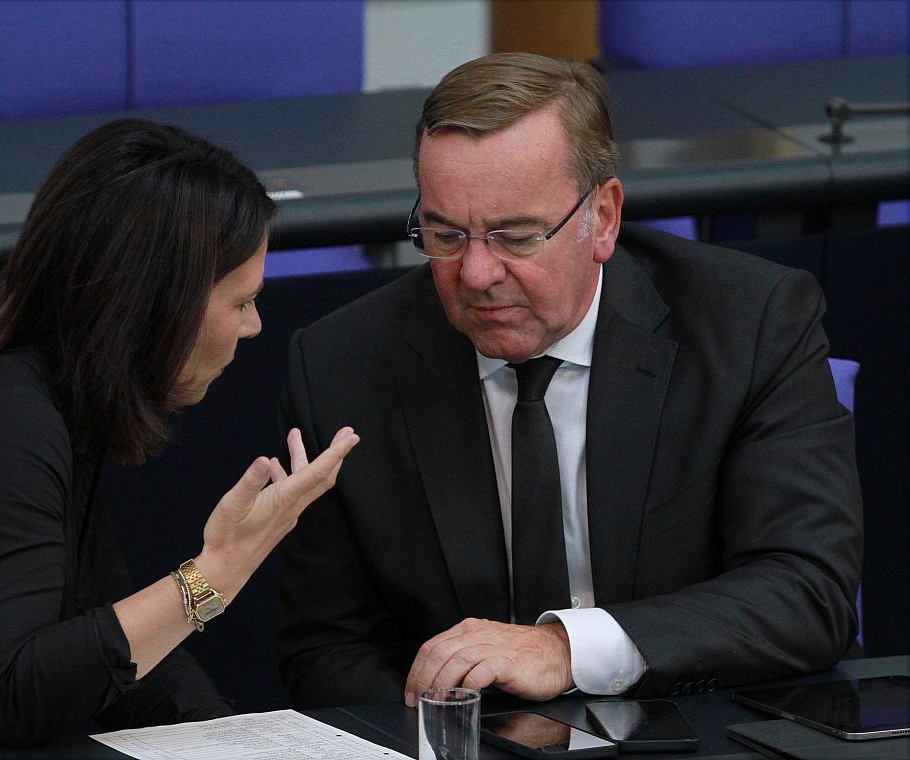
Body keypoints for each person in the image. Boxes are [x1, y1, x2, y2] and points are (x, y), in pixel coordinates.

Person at [276, 53, 862, 709]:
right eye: (446, 235)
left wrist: (565, 648)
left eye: (516, 237)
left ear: (603, 218)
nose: (476, 274)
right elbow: (327, 649)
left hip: (685, 723)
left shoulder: (748, 324)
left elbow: (807, 593)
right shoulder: (342, 364)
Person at [0, 118, 359, 758]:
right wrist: (215, 572)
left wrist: (234, 741)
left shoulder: (53, 394)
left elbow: (113, 641)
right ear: (158, 305)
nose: (254, 326)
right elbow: (17, 695)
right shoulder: (0, 426)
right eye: (241, 302)